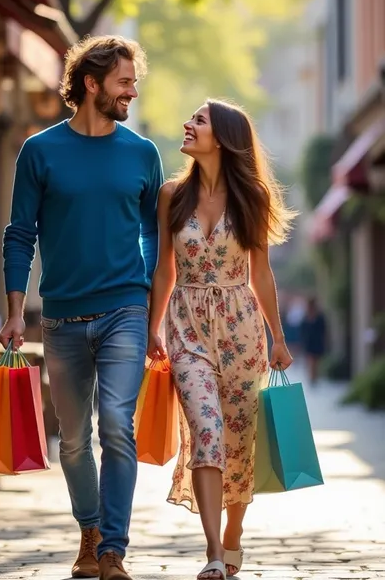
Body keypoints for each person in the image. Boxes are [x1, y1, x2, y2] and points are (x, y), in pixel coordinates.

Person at [0, 35, 163, 580]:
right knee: (72, 439)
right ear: (91, 84)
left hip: (124, 310)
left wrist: (147, 302)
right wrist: (15, 309)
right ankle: (88, 531)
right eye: (124, 81)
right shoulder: (39, 151)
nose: (132, 92)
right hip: (62, 316)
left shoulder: (143, 153)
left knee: (117, 424)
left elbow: (151, 234)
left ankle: (113, 547)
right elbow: (20, 233)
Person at [148, 99, 294, 580]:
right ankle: (213, 551)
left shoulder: (252, 195)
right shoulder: (172, 194)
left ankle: (234, 532)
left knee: (239, 441)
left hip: (242, 331)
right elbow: (165, 267)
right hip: (187, 327)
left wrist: (278, 337)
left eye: (199, 120)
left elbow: (262, 273)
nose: (187, 125)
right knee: (207, 432)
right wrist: (154, 327)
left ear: (224, 136)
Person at [300, 296, 327, 385]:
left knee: (315, 360)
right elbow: (303, 330)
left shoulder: (319, 317)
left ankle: (314, 377)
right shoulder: (305, 317)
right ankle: (312, 377)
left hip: (317, 341)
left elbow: (323, 329)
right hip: (309, 342)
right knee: (310, 360)